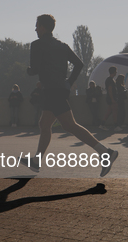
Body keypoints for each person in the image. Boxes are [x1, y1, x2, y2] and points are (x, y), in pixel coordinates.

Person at [22, 14, 118, 177]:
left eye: (37, 25)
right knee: (45, 124)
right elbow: (79, 64)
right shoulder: (62, 46)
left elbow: (35, 69)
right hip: (58, 89)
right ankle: (37, 160)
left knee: (69, 125)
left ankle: (105, 152)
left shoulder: (37, 45)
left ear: (43, 27)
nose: (35, 28)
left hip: (51, 90)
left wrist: (29, 70)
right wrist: (68, 82)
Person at [100, 66, 118, 131]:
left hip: (110, 98)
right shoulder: (110, 80)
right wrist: (112, 99)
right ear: (113, 72)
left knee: (108, 112)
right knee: (114, 112)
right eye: (116, 71)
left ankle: (102, 124)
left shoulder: (110, 79)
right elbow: (110, 90)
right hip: (111, 98)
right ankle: (116, 126)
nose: (116, 72)